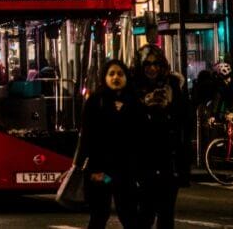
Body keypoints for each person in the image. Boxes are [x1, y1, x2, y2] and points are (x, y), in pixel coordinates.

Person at [74, 59, 137, 229]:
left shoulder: (134, 101)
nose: (116, 77)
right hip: (102, 172)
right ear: (104, 77)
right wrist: (89, 169)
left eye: (120, 74)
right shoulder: (95, 101)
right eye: (111, 74)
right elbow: (87, 137)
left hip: (126, 171)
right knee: (99, 214)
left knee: (129, 214)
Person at [133, 45, 190, 229]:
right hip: (143, 161)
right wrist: (144, 104)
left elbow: (183, 122)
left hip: (168, 160)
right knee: (145, 213)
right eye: (147, 64)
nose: (152, 68)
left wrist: (168, 106)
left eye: (156, 64)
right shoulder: (133, 88)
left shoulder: (172, 86)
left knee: (166, 215)